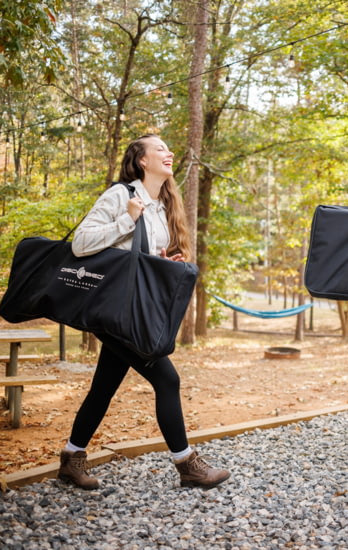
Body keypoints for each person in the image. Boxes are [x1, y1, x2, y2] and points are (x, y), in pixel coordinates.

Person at [57, 134, 230, 490]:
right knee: (167, 380)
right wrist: (127, 219)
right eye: (161, 149)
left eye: (169, 148)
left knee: (103, 387)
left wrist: (161, 261)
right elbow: (80, 243)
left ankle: (71, 459)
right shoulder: (122, 196)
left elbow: (136, 257)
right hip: (115, 310)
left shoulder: (160, 207)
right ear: (142, 161)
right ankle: (187, 465)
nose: (169, 153)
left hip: (131, 310)